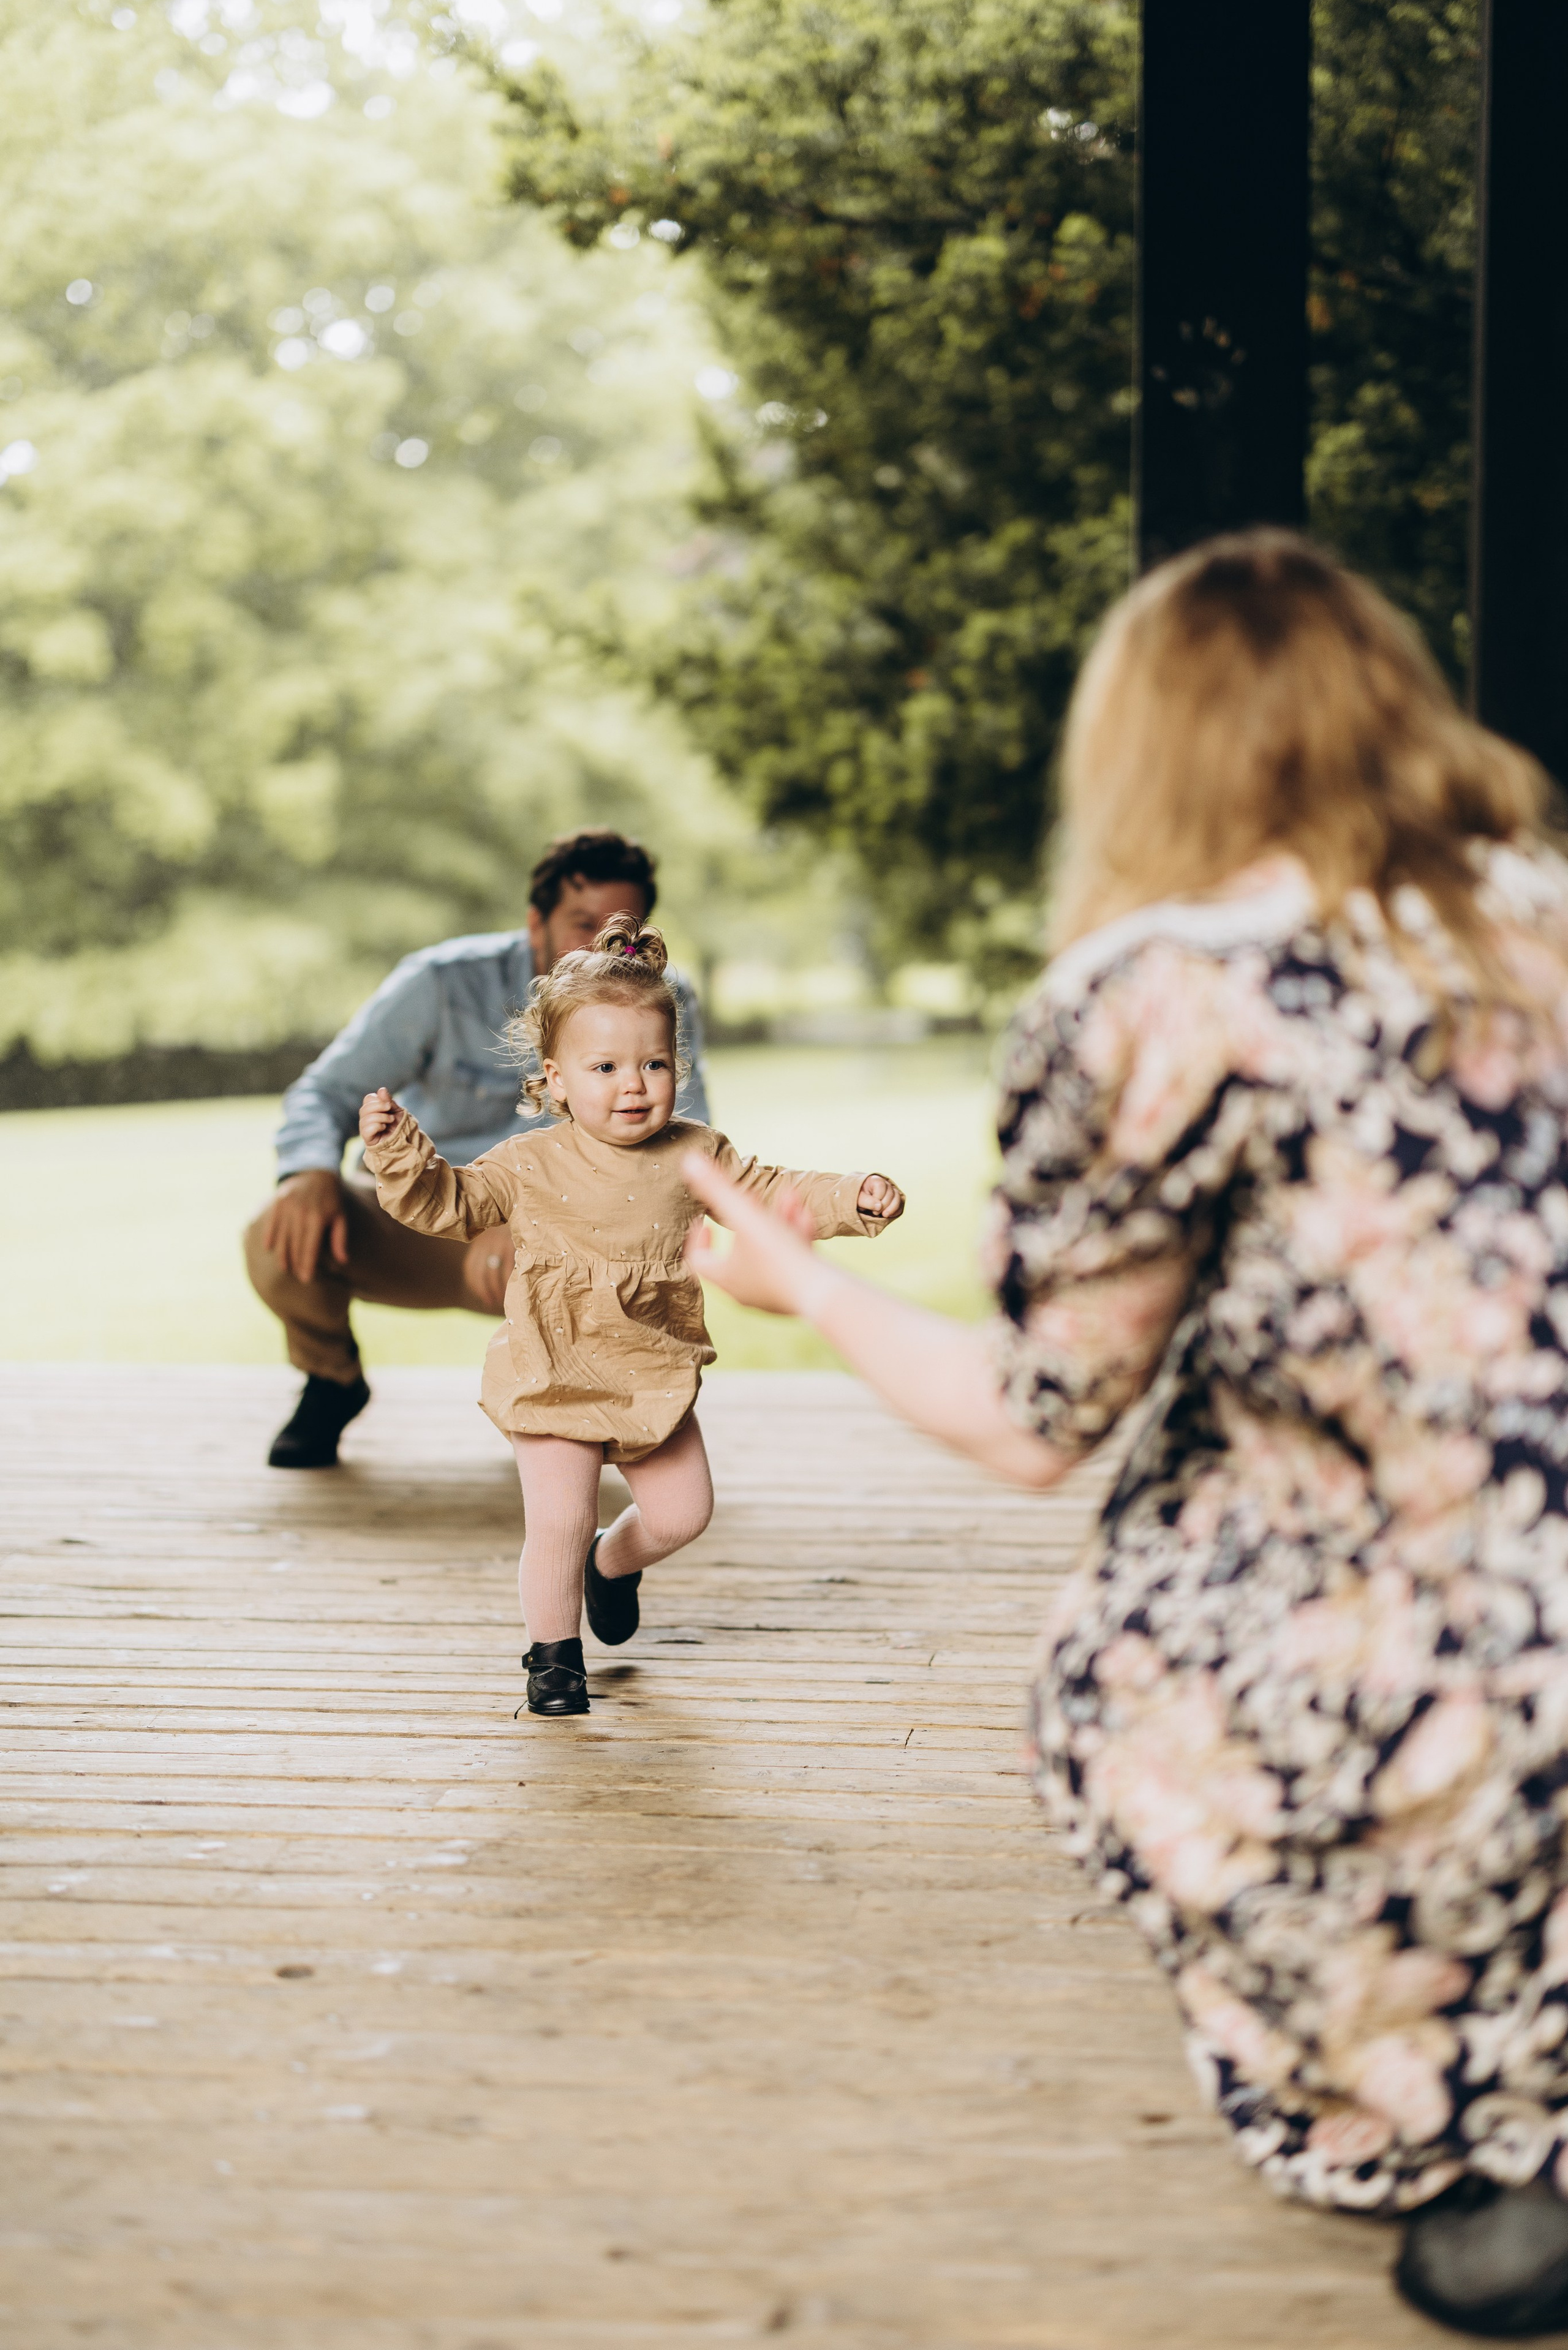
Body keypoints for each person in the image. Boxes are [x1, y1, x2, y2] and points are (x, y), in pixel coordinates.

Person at [680, 530, 1568, 2340]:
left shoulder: (1158, 993)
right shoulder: (1540, 907)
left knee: (1122, 1682)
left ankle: (1436, 2122)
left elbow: (1035, 1421)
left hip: (1449, 1645)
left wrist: (808, 1284)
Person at [357, 909, 904, 1719]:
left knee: (684, 1515)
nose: (634, 1085)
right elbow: (452, 1203)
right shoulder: (530, 1163)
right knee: (561, 1519)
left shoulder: (693, 1153)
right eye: (606, 1066)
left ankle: (609, 1567)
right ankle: (554, 1659)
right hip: (553, 1367)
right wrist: (402, 1151)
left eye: (654, 1063)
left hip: (649, 1368)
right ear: (555, 1079)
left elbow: (767, 1192)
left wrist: (851, 1196)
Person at [244, 828, 710, 1469]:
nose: (601, 947)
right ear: (535, 923)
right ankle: (331, 1381)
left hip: (573, 1237)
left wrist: (542, 1218)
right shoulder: (441, 983)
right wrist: (307, 1173)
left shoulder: (662, 1001)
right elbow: (324, 1092)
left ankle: (595, 1427)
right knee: (276, 1233)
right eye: (582, 924)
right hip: (428, 1217)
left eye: (620, 929)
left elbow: (685, 1143)